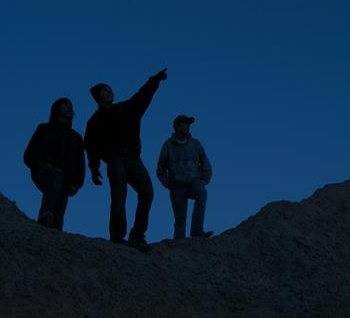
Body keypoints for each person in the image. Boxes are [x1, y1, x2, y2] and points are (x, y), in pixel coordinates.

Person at [84, 69, 168, 251]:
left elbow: (142, 96)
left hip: (134, 158)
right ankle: (117, 237)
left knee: (147, 192)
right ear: (98, 97)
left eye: (110, 89)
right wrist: (93, 166)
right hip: (115, 160)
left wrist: (154, 80)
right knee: (119, 198)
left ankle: (137, 235)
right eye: (105, 91)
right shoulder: (94, 121)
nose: (109, 92)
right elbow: (91, 145)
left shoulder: (125, 109)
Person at [23, 97, 85, 230]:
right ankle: (46, 214)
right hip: (43, 171)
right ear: (57, 109)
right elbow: (28, 155)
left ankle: (55, 226)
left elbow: (80, 165)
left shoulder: (76, 138)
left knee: (63, 183)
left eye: (70, 105)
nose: (69, 108)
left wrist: (77, 184)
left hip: (66, 179)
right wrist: (41, 164)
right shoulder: (43, 129)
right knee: (57, 174)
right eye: (65, 104)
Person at [156, 115, 213, 239]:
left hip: (194, 183)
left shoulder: (195, 143)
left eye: (188, 123)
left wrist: (203, 181)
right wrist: (168, 183)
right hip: (177, 186)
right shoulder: (167, 145)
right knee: (180, 219)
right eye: (185, 123)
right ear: (176, 125)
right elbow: (160, 170)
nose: (188, 126)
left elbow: (206, 164)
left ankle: (197, 232)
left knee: (202, 193)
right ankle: (178, 243)